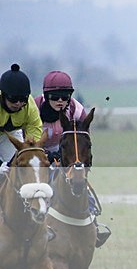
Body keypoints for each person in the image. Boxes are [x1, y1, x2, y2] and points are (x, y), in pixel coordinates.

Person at [33, 70, 111, 247]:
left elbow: (83, 142)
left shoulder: (77, 110)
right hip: (37, 151)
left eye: (65, 96)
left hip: (66, 153)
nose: (60, 100)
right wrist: (45, 155)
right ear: (46, 95)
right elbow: (27, 139)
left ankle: (93, 221)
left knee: (78, 180)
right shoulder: (34, 108)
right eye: (55, 96)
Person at [0, 63, 42, 163]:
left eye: (23, 99)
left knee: (18, 163)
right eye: (13, 99)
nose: (18, 103)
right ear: (3, 95)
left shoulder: (30, 106)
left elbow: (34, 132)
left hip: (11, 133)